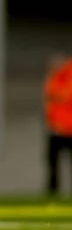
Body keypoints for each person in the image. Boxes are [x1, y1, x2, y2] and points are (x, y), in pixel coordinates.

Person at [44, 54, 72, 196]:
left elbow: (64, 95)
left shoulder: (67, 76)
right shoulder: (54, 78)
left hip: (69, 129)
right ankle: (53, 191)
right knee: (52, 163)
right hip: (56, 129)